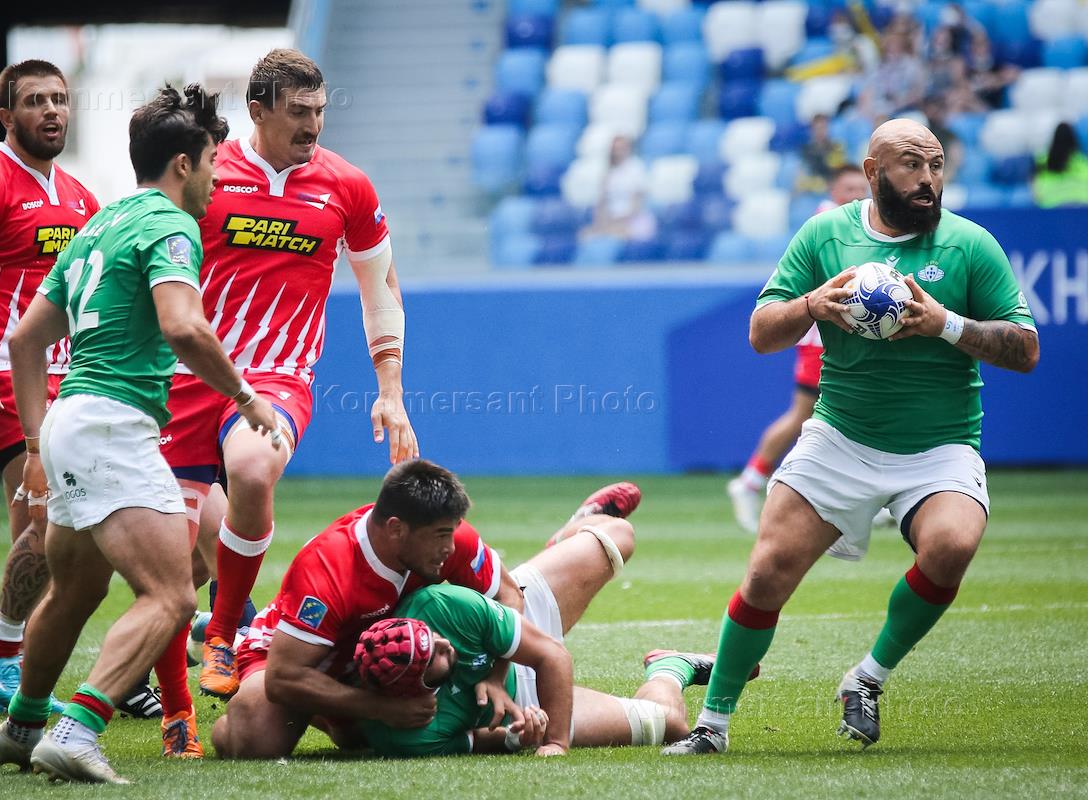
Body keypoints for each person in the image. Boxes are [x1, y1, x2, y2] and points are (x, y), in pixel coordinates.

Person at [667, 118, 1038, 756]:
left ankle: (866, 677)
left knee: (952, 545)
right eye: (911, 166)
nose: (928, 179)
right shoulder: (824, 235)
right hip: (841, 438)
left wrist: (945, 325)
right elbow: (761, 333)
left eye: (936, 165)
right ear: (872, 172)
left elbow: (1026, 350)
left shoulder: (970, 245)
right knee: (767, 572)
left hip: (940, 445)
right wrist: (811, 305)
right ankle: (712, 726)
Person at [0, 84, 281, 783]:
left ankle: (23, 725)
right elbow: (183, 327)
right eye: (212, 162)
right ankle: (78, 730)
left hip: (68, 421)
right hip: (113, 426)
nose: (217, 178)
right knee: (173, 597)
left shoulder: (100, 223)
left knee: (76, 591)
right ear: (183, 164)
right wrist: (245, 397)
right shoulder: (170, 225)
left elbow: (25, 340)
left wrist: (35, 445)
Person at [151, 48, 419, 704]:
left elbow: (380, 290)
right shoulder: (206, 173)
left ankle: (222, 634)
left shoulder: (347, 186)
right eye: (298, 111)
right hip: (186, 378)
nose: (313, 125)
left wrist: (390, 392)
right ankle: (171, 713)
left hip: (277, 377)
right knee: (167, 566)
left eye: (320, 111)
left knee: (251, 470)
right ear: (257, 110)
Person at [0, 60, 161, 718]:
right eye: (34, 101)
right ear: (7, 116)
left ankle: (87, 654)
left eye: (59, 99)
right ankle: (4, 652)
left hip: (72, 380)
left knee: (79, 522)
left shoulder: (80, 196)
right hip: (1, 374)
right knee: (46, 518)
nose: (51, 111)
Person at [210, 462, 640, 759]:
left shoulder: (447, 540)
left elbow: (511, 597)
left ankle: (574, 530)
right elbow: (285, 677)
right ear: (396, 530)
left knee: (618, 534)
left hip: (414, 662)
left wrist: (495, 677)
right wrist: (376, 709)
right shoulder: (328, 570)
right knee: (256, 741)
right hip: (299, 658)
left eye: (453, 534)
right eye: (440, 537)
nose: (451, 548)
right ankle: (236, 640)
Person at [355, 498, 753, 757]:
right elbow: (477, 741)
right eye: (437, 657)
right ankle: (671, 668)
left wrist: (556, 743)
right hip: (528, 700)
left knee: (620, 534)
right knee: (670, 724)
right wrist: (521, 734)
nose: (445, 645)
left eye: (434, 638)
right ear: (415, 689)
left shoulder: (438, 607)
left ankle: (571, 532)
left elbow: (552, 655)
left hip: (516, 625)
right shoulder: (405, 736)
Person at [727, 164, 869, 534]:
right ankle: (755, 481)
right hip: (823, 339)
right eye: (849, 188)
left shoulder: (861, 223)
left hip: (842, 334)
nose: (856, 195)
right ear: (833, 191)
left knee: (826, 414)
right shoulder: (827, 224)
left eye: (861, 188)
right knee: (811, 415)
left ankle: (864, 496)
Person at [585, 135, 656, 242]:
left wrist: (617, 221)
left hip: (634, 220)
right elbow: (602, 202)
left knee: (617, 233)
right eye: (615, 149)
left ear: (629, 149)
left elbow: (636, 206)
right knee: (586, 234)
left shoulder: (636, 168)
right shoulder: (608, 172)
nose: (617, 152)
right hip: (611, 220)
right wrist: (601, 223)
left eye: (621, 148)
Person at [1033, 122, 1088, 208]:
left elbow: (1035, 191)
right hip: (1081, 207)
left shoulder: (1041, 161)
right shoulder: (1083, 161)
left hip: (1051, 206)